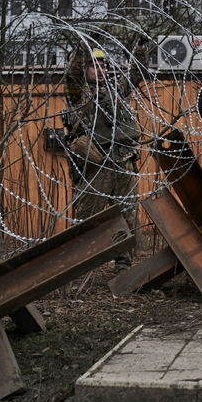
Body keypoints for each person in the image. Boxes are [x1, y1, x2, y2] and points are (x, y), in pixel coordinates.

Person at [64, 41, 148, 274]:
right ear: (84, 69)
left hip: (123, 159)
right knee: (88, 218)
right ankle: (78, 268)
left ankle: (124, 266)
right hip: (97, 163)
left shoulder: (115, 89)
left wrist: (140, 49)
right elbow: (72, 74)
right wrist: (82, 46)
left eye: (102, 64)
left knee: (128, 214)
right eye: (94, 65)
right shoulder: (78, 93)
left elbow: (136, 73)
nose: (100, 69)